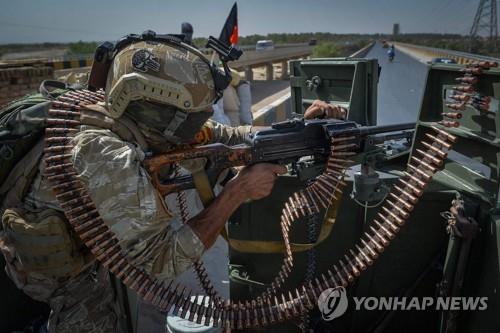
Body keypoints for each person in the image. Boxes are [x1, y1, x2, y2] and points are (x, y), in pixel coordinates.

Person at [0, 33, 346, 332]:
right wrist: (238, 191)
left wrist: (297, 128)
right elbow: (164, 258)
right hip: (67, 270)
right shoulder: (103, 152)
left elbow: (229, 135)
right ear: (159, 114)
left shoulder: (134, 118)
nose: (202, 123)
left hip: (100, 234)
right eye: (192, 117)